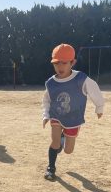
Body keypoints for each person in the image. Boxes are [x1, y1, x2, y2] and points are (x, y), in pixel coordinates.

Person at [42, 44, 105, 181]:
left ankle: (63, 139)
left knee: (68, 151)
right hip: (56, 115)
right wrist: (46, 115)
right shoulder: (51, 83)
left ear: (73, 62)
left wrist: (99, 107)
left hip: (73, 119)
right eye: (56, 63)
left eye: (64, 63)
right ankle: (51, 169)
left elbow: (95, 91)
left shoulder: (81, 79)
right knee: (54, 141)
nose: (60, 67)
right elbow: (47, 100)